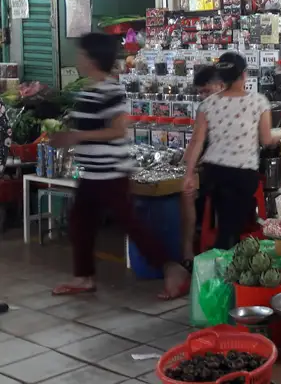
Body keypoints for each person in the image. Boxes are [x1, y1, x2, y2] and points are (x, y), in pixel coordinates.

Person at [51, 33, 188, 299]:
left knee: (131, 225)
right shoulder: (91, 90)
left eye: (82, 54)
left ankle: (172, 268)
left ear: (92, 59)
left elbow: (117, 129)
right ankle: (84, 276)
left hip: (111, 173)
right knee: (81, 222)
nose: (78, 59)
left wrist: (77, 136)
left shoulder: (111, 90)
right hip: (94, 172)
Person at [182, 52, 274, 250]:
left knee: (225, 220)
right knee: (232, 228)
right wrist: (280, 136)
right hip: (243, 174)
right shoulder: (259, 102)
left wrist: (188, 174)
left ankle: (223, 252)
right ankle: (226, 260)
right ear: (244, 75)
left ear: (220, 78)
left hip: (214, 173)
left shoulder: (207, 104)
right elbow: (266, 140)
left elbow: (196, 142)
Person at [181, 66, 224, 261]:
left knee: (188, 193)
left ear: (221, 85)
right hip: (206, 166)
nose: (203, 96)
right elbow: (195, 142)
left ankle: (188, 251)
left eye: (207, 90)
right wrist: (183, 166)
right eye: (200, 92)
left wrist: (195, 170)